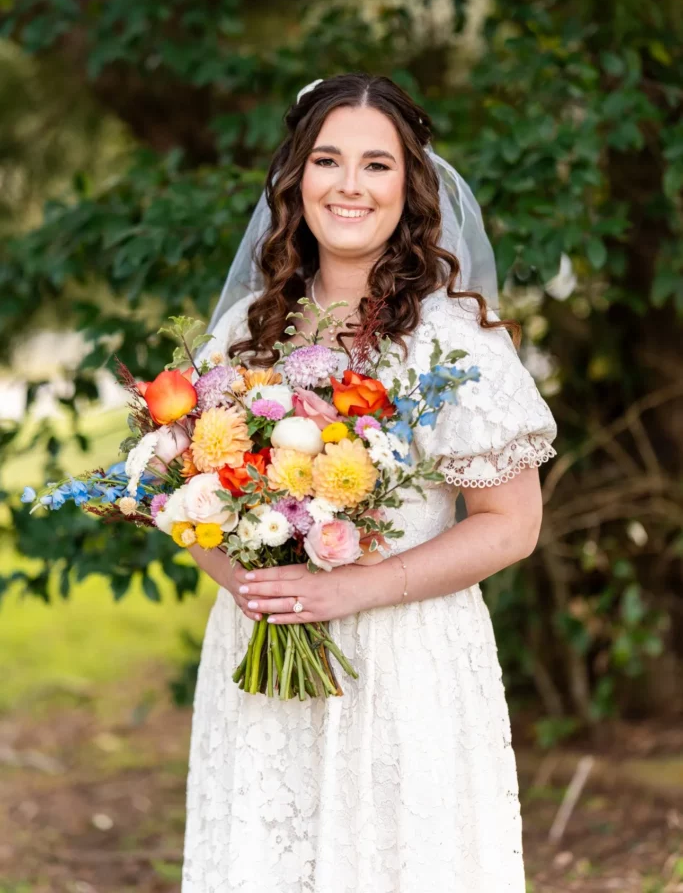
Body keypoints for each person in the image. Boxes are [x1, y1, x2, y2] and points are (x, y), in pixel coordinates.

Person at [181, 73, 557, 892]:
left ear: (410, 186)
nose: (349, 185)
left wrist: (356, 589)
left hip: (404, 659)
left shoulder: (449, 343)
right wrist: (257, 583)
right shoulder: (242, 335)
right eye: (327, 160)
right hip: (259, 654)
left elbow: (510, 523)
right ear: (296, 179)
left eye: (376, 165)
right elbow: (187, 506)